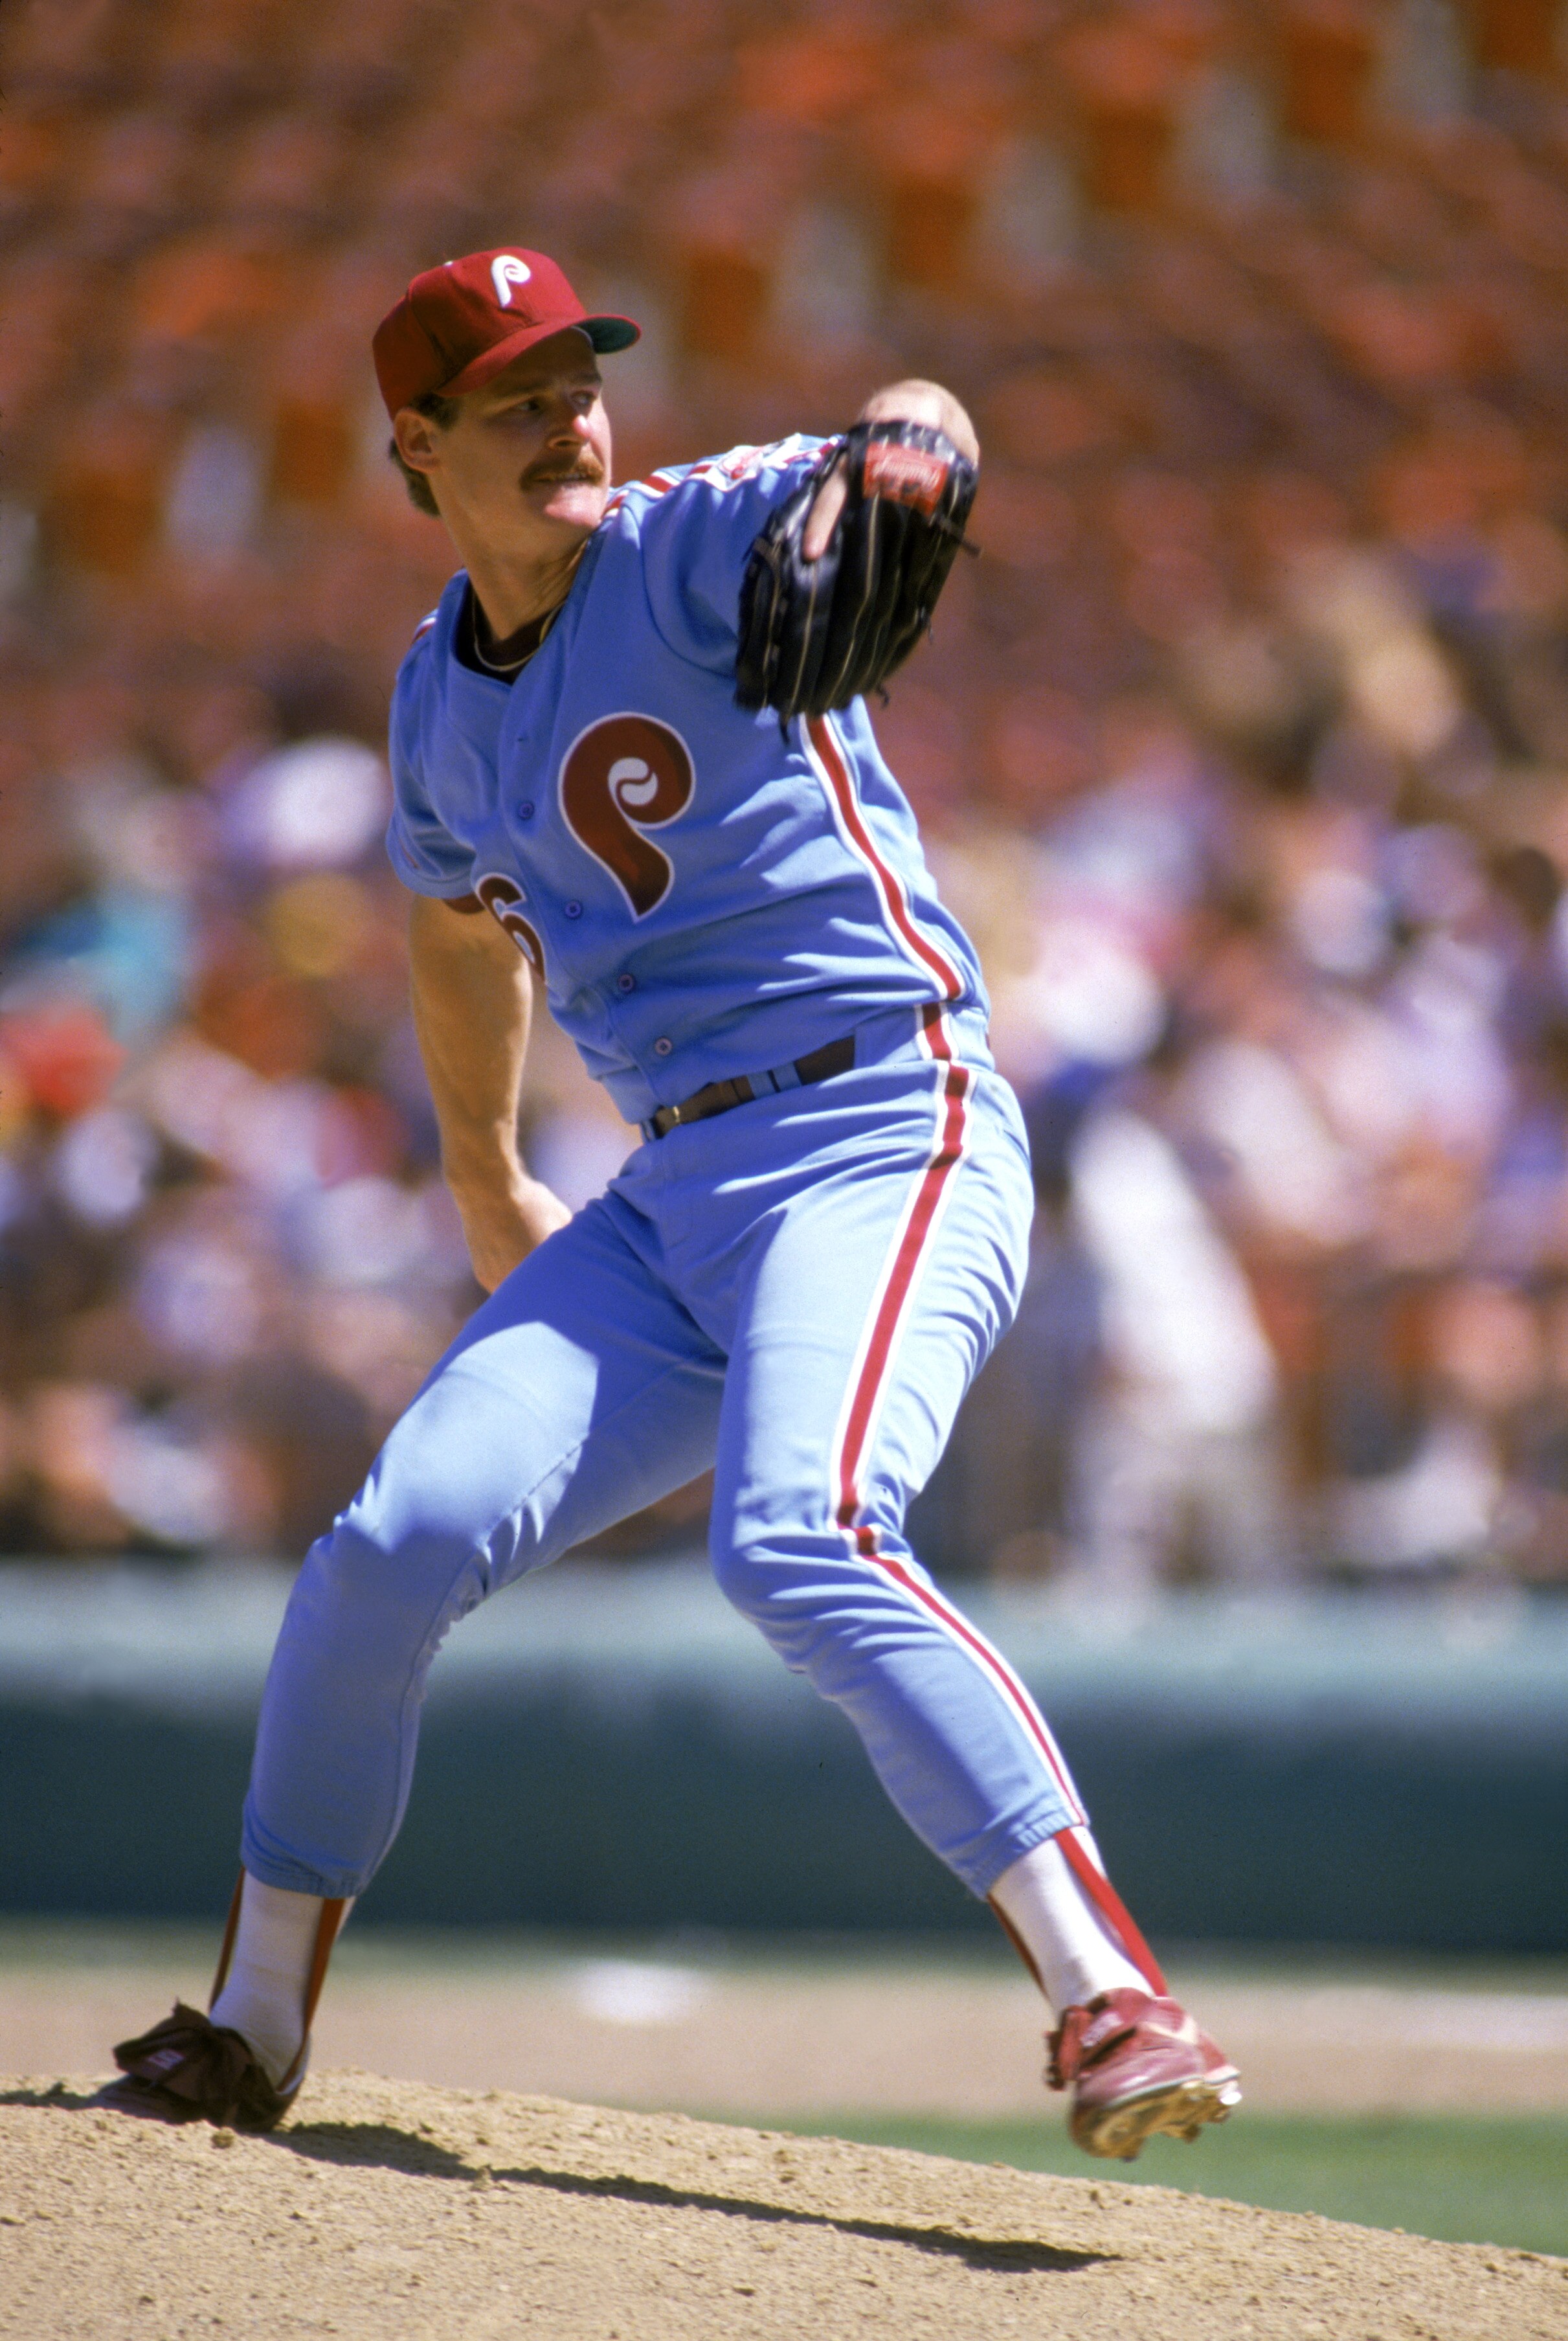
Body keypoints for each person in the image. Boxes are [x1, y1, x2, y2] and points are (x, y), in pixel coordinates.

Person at [107, 247, 1240, 2162]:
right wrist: (484, 1172)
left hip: (888, 1119)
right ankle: (256, 2016)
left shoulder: (696, 539)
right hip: (673, 1191)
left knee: (797, 1536)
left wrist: (904, 455)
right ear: (417, 446)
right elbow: (459, 934)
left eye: (581, 379)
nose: (571, 417)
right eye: (519, 396)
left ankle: (1109, 1990)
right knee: (394, 1538)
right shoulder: (433, 700)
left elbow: (928, 423)